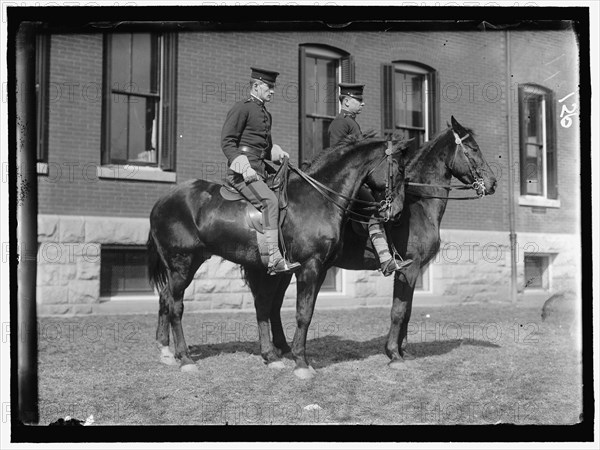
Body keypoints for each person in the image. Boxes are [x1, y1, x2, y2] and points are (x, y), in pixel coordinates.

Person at [221, 67, 301, 275]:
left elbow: (264, 150)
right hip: (241, 173)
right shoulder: (242, 108)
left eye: (274, 87)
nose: (273, 91)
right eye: (269, 86)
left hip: (260, 168)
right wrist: (243, 167)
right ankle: (273, 259)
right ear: (256, 86)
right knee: (269, 201)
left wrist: (277, 153)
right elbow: (228, 142)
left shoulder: (266, 114)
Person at [328, 83, 411, 277]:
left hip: (357, 181)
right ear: (346, 101)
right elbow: (338, 156)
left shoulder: (351, 123)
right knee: (374, 209)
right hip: (345, 183)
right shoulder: (341, 123)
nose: (363, 104)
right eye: (359, 100)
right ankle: (384, 259)